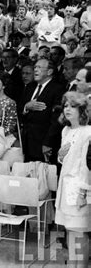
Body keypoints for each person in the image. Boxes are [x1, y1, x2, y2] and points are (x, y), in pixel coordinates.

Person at [55, 92, 90, 268]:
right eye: (66, 106)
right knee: (69, 229)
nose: (67, 109)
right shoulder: (66, 130)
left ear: (82, 110)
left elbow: (86, 165)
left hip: (80, 188)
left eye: (72, 106)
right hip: (66, 185)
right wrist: (60, 156)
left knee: (80, 232)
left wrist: (83, 192)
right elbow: (66, 159)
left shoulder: (88, 132)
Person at [21, 58, 64, 163]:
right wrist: (26, 107)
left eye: (39, 67)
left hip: (44, 143)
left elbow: (56, 120)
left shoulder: (58, 89)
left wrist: (48, 143)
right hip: (27, 143)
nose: (35, 70)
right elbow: (19, 109)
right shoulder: (30, 87)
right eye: (35, 67)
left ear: (49, 72)